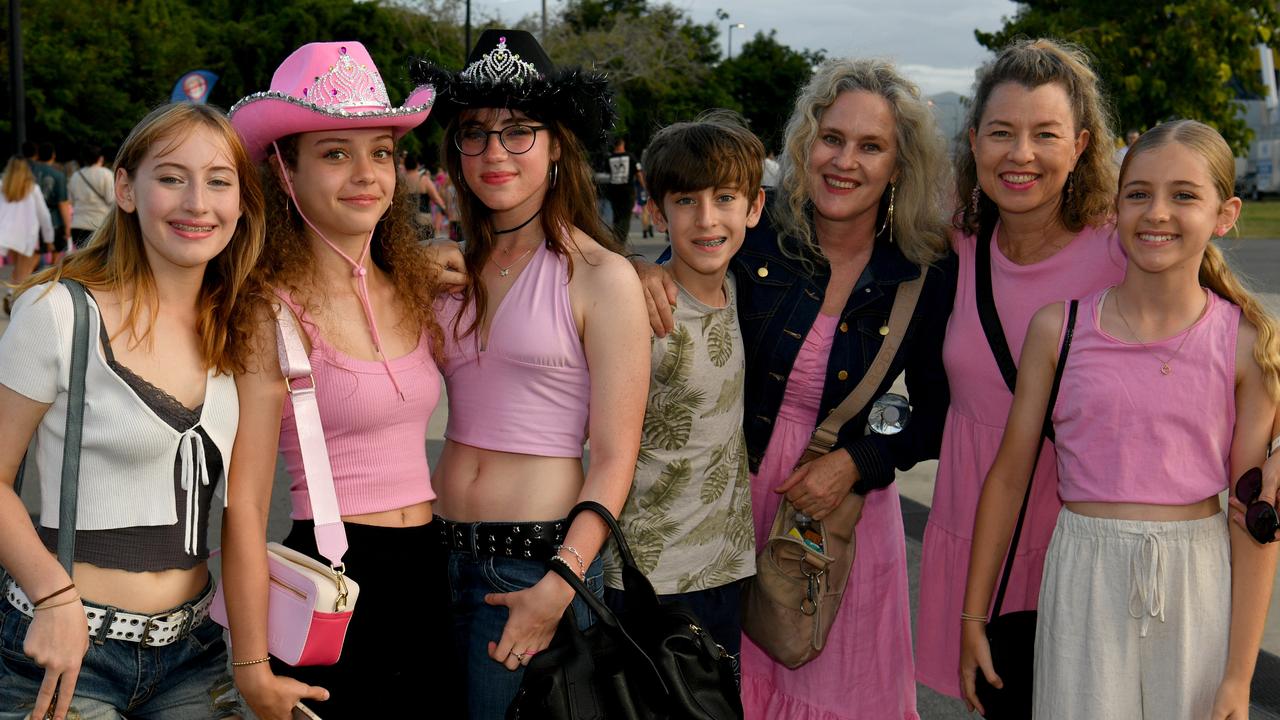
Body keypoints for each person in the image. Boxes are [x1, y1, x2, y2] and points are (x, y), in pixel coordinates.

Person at [635, 57, 956, 720]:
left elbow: (939, 412)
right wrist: (637, 271)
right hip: (723, 503)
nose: (845, 161)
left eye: (871, 147)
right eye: (832, 138)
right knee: (720, 694)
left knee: (838, 694)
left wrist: (859, 461)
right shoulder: (754, 235)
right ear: (807, 142)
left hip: (834, 519)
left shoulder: (923, 272)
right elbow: (680, 283)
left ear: (898, 165)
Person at [961, 119, 1280, 719]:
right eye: (1139, 193)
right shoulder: (1060, 329)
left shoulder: (1244, 346)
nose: (1157, 212)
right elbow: (1007, 478)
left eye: (1184, 195)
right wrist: (972, 617)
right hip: (1083, 580)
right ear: (1116, 206)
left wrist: (1239, 678)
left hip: (1197, 588)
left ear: (1225, 213)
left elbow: (1254, 518)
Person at [410, 29, 649, 718]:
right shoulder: (448, 270)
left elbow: (614, 457)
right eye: (475, 133)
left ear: (557, 145)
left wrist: (560, 584)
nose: (494, 152)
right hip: (436, 558)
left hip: (535, 564)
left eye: (519, 132)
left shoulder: (604, 278)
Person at [0, 102, 266, 720]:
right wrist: (53, 596)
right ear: (125, 189)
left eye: (219, 181)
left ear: (242, 202)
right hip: (67, 648)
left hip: (195, 653)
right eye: (171, 177)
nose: (197, 202)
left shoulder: (242, 327)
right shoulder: (59, 312)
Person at [219, 41, 462, 719]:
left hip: (430, 574)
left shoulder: (419, 287)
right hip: (333, 584)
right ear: (285, 170)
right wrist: (250, 664)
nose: (366, 174)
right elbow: (243, 508)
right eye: (335, 152)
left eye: (380, 151)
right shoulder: (269, 311)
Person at [913, 38, 1128, 700]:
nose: (1021, 154)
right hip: (980, 527)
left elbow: (1232, 338)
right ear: (974, 141)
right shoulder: (954, 243)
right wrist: (650, 271)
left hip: (1084, 535)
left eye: (1045, 134)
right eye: (1002, 133)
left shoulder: (1125, 250)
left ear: (1081, 145)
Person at [604, 112, 765, 665]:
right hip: (646, 577)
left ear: (755, 207)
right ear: (657, 210)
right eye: (686, 201)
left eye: (725, 198)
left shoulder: (745, 291)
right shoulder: (640, 307)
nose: (707, 219)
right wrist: (632, 268)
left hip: (724, 568)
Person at [0, 157, 53, 314]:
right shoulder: (32, 189)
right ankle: (13, 298)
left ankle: (12, 295)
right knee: (25, 271)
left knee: (18, 269)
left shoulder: (3, 187)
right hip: (28, 236)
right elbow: (44, 216)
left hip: (8, 236)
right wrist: (49, 238)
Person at [31, 142, 72, 264]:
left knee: (34, 255)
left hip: (31, 219)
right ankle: (50, 279)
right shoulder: (58, 176)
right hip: (54, 220)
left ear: (38, 155)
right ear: (53, 156)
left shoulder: (29, 173)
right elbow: (63, 204)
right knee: (55, 256)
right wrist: (67, 227)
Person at [68, 145, 114, 251]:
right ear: (100, 158)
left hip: (78, 224)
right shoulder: (106, 174)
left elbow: (71, 201)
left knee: (82, 261)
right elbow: (111, 199)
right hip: (99, 224)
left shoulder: (76, 175)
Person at [605, 135, 645, 244]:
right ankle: (621, 240)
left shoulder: (610, 158)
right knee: (625, 216)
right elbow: (638, 174)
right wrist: (644, 187)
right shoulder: (630, 157)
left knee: (616, 216)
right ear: (622, 144)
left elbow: (606, 174)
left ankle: (616, 238)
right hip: (627, 191)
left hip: (614, 191)